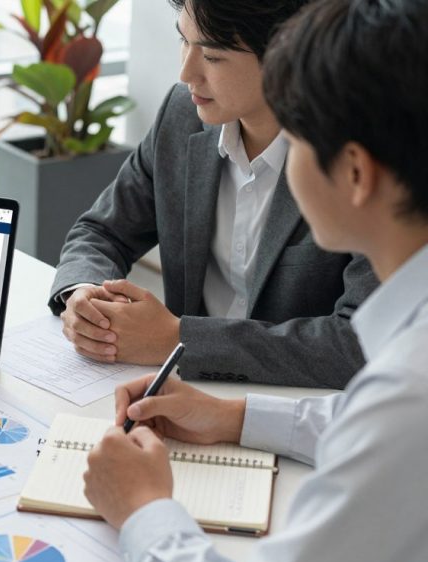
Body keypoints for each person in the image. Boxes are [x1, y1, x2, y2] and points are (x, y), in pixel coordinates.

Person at [82, 0, 428, 562]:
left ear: (355, 173)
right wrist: (234, 417)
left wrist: (144, 510)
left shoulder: (404, 394)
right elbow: (360, 417)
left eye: (298, 134)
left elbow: (385, 419)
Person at [50, 0, 379, 389]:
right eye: (183, 42)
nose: (186, 72)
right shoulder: (181, 114)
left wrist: (178, 339)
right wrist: (84, 296)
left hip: (292, 408)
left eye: (211, 55)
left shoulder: (356, 160)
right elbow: (102, 231)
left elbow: (359, 342)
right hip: (177, 391)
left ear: (285, 56)